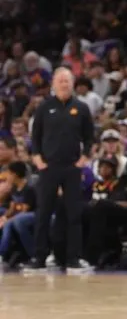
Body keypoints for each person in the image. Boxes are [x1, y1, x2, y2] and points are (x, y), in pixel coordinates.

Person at [27, 67, 94, 274]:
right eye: (61, 81)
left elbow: (90, 137)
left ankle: (73, 259)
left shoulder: (81, 108)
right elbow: (35, 137)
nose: (64, 84)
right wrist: (38, 160)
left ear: (72, 83)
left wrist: (83, 159)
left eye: (67, 81)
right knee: (43, 213)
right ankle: (39, 258)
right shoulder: (44, 108)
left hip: (72, 168)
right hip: (48, 168)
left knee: (74, 214)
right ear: (54, 84)